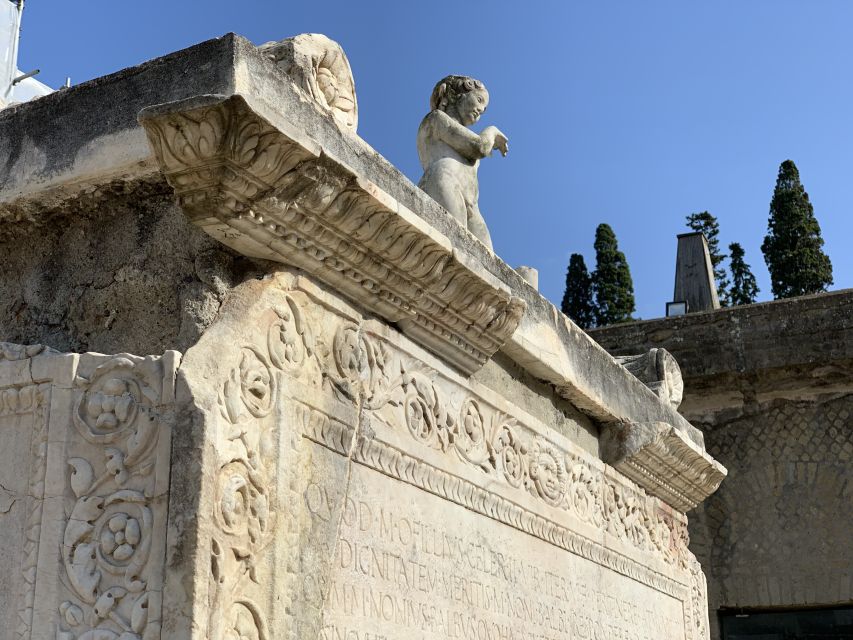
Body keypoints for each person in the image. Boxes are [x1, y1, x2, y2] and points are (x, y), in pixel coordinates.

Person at [417, 75, 508, 250]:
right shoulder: (435, 119)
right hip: (445, 183)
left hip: (473, 206)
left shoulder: (464, 134)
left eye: (484, 108)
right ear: (456, 95)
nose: (481, 109)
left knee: (487, 265)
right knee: (456, 250)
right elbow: (480, 147)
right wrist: (492, 131)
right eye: (479, 100)